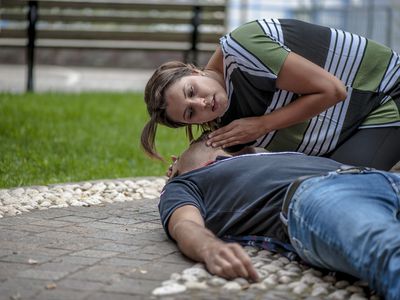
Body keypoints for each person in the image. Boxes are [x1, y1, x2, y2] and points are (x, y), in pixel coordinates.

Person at [159, 133, 400, 300]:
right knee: (388, 245)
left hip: (379, 179)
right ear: (175, 165)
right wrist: (208, 247)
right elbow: (184, 223)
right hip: (317, 195)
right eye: (206, 139)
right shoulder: (183, 183)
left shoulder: (269, 155)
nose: (213, 136)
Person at [141, 18, 400, 170]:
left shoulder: (242, 49)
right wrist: (187, 166)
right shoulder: (227, 121)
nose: (202, 103)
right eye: (190, 112)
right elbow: (240, 164)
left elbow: (333, 90)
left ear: (194, 70)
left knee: (344, 190)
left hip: (384, 92)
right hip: (353, 129)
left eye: (192, 90)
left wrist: (262, 125)